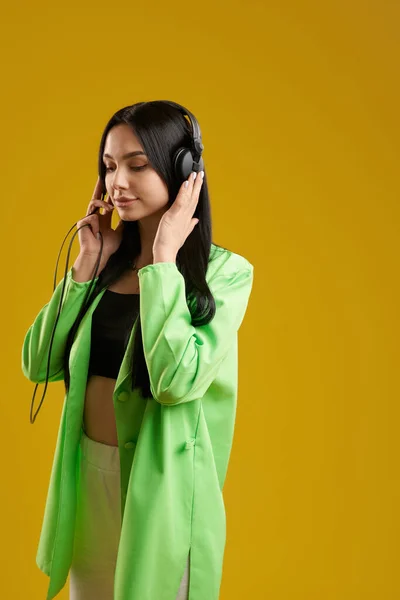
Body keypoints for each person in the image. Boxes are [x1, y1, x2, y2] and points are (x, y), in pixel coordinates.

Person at [22, 100, 254, 600]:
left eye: (137, 165)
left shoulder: (225, 275)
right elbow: (37, 363)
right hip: (87, 482)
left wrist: (164, 262)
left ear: (183, 170)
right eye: (108, 166)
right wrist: (86, 265)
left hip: (164, 492)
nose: (116, 183)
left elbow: (175, 382)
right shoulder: (102, 266)